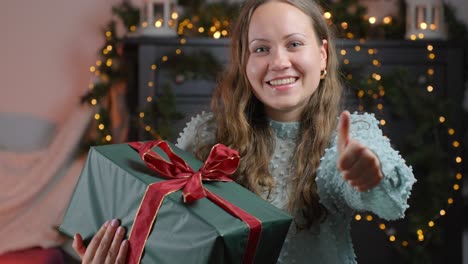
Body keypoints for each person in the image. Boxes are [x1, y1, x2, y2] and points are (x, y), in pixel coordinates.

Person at [73, 0, 416, 263]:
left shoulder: (348, 136)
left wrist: (370, 174)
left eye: (294, 44)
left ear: (323, 55)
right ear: (245, 62)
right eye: (261, 48)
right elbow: (176, 237)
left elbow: (389, 200)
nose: (279, 61)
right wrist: (124, 247)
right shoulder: (207, 136)